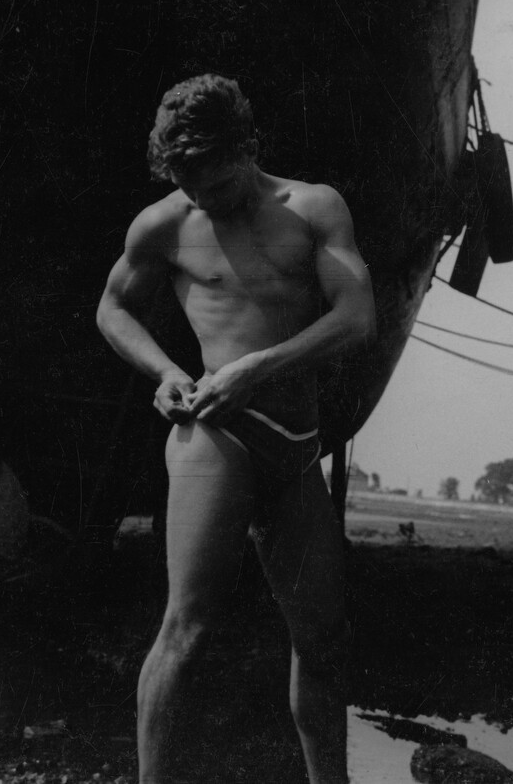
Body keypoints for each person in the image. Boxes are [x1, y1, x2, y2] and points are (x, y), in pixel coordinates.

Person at [96, 73, 376, 784]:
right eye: (189, 187)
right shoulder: (164, 224)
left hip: (294, 446)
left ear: (248, 148)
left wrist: (255, 367)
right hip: (215, 436)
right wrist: (163, 370)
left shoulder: (311, 208)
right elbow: (112, 309)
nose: (205, 202)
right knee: (186, 629)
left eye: (217, 185)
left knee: (323, 638)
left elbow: (355, 317)